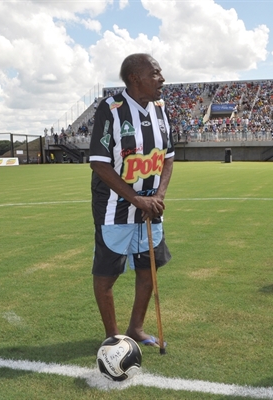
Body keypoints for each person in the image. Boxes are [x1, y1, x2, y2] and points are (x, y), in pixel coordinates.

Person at [89, 53, 175, 348]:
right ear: (135, 79)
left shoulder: (162, 109)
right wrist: (136, 199)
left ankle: (136, 328)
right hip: (116, 207)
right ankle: (113, 338)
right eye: (155, 73)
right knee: (106, 274)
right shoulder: (111, 109)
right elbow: (99, 163)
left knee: (148, 269)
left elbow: (169, 159)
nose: (162, 78)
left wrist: (158, 196)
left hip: (151, 207)